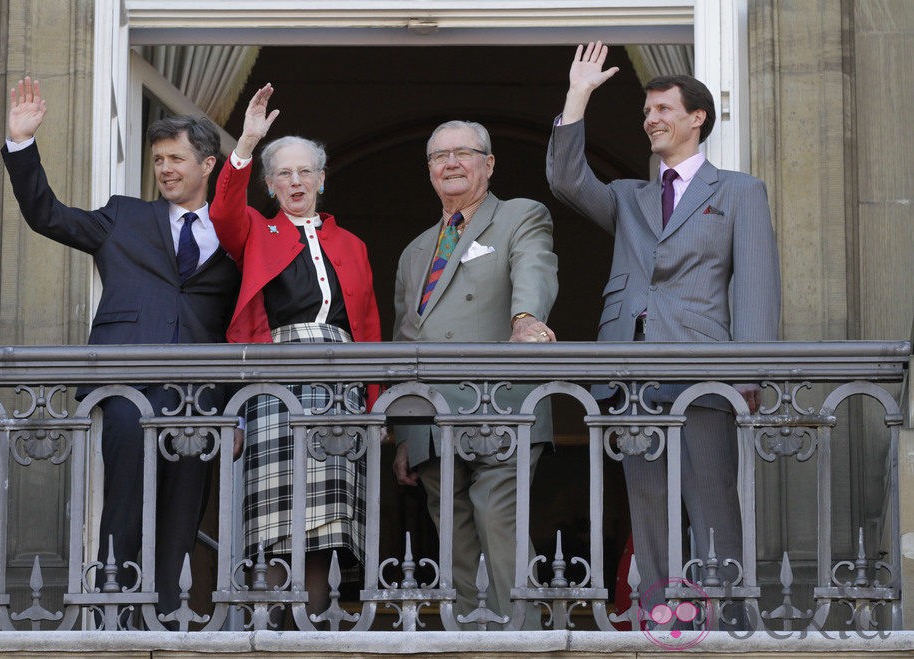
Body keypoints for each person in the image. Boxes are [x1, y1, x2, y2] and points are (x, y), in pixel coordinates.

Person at [546, 43, 780, 608]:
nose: (651, 119)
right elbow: (567, 180)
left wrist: (750, 375)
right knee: (648, 509)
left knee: (713, 507)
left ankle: (725, 626)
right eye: (646, 112)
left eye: (663, 109)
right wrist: (578, 96)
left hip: (704, 371)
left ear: (697, 117)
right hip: (632, 371)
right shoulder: (631, 197)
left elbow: (755, 285)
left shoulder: (739, 191)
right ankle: (659, 622)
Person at [2, 77, 240, 619]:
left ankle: (164, 618)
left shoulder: (234, 233)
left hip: (201, 394)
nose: (165, 169)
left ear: (208, 165)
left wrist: (238, 409)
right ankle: (114, 615)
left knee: (183, 513)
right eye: (158, 160)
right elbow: (48, 215)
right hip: (127, 382)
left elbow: (245, 321)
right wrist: (22, 144)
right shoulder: (125, 215)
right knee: (125, 505)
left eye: (176, 158)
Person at [209, 84, 382, 622]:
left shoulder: (351, 244)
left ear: (322, 179)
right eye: (283, 173)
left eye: (306, 171)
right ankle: (274, 632)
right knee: (278, 523)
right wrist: (247, 143)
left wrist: (376, 407)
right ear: (270, 184)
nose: (296, 180)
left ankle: (314, 633)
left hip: (340, 384)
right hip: (276, 380)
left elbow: (369, 329)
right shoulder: (257, 232)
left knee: (326, 525)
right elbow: (222, 213)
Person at [391, 120, 558, 630]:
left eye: (465, 153)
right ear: (429, 172)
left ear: (489, 164)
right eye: (440, 156)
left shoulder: (519, 215)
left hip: (501, 404)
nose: (451, 163)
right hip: (434, 415)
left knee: (498, 518)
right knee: (453, 534)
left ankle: (523, 639)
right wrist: (405, 429)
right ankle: (468, 637)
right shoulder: (416, 248)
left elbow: (534, 266)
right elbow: (406, 339)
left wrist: (526, 319)